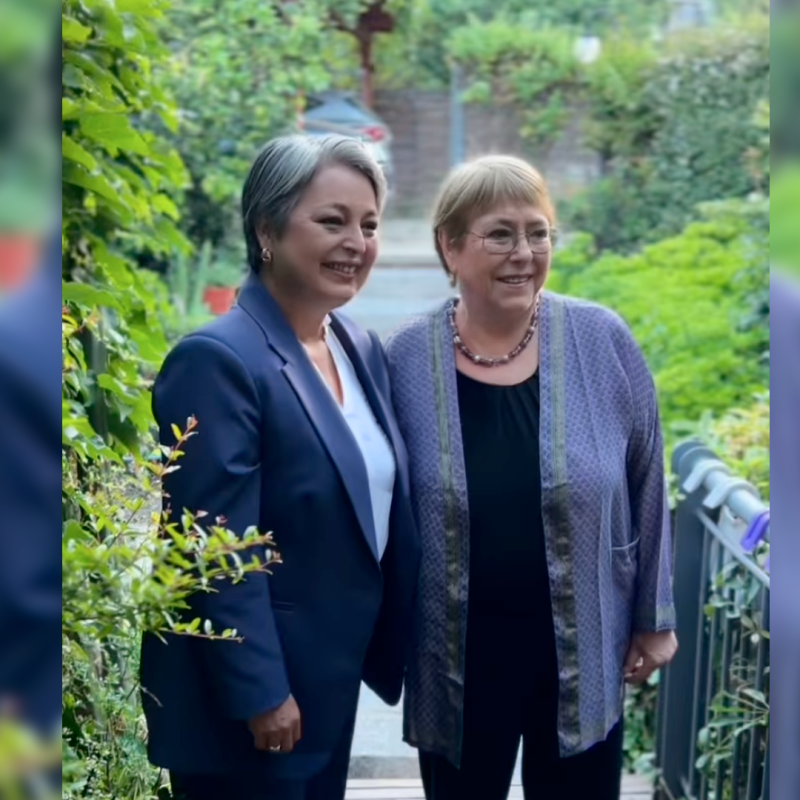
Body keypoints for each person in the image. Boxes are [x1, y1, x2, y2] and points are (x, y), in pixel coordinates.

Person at [384, 155, 678, 800]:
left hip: (584, 649)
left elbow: (647, 476)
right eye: (500, 234)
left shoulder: (601, 339)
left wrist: (655, 616)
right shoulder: (405, 358)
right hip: (454, 655)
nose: (524, 252)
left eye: (537, 232)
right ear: (449, 246)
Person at [140, 135, 420, 800]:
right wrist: (262, 693)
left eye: (369, 224)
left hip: (329, 681)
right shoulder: (218, 360)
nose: (356, 243)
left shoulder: (354, 344)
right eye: (332, 221)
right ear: (267, 230)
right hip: (256, 703)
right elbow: (215, 548)